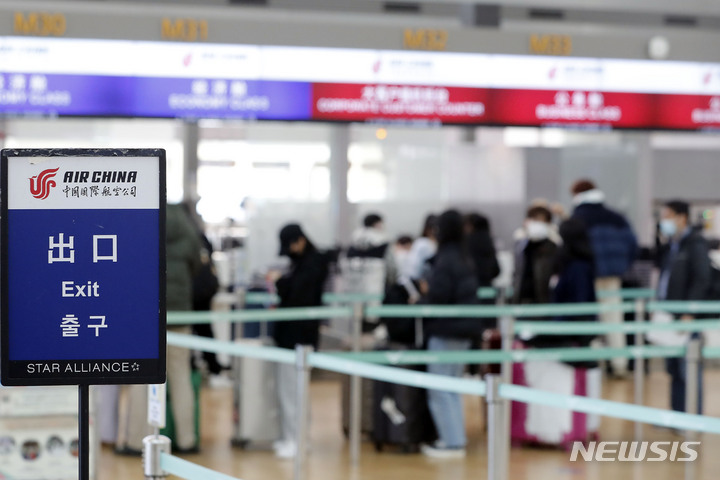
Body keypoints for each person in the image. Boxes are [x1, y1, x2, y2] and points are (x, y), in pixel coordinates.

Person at [120, 203, 202, 455]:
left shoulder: (144, 222)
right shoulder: (187, 230)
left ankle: (136, 442)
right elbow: (197, 266)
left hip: (147, 317)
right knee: (181, 379)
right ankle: (187, 441)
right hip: (180, 316)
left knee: (141, 379)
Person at [421, 209, 486, 459]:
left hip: (447, 329)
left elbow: (439, 295)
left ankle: (452, 442)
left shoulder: (445, 259)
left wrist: (424, 293)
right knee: (451, 387)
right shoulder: (464, 256)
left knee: (439, 388)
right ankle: (454, 437)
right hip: (465, 329)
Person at [272, 224, 330, 459]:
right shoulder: (307, 263)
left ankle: (297, 440)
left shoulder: (312, 265)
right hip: (295, 337)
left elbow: (297, 296)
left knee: (293, 391)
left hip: (297, 338)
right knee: (294, 391)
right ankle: (295, 438)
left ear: (300, 241)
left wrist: (279, 282)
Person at [570, 179, 638, 377]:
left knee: (591, 320)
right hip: (613, 278)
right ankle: (619, 364)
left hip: (588, 276)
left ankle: (596, 364)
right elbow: (633, 245)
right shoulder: (617, 218)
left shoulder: (578, 218)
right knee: (614, 320)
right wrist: (622, 266)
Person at [657, 200, 710, 413]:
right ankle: (677, 414)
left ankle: (692, 416)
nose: (664, 221)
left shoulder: (695, 243)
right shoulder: (672, 244)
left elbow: (702, 279)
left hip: (686, 316)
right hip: (669, 314)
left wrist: (690, 311)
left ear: (682, 218)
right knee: (673, 368)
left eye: (668, 216)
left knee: (688, 367)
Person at [512, 205, 559, 305]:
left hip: (545, 298)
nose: (537, 223)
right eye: (534, 219)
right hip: (523, 296)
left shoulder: (554, 244)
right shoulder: (521, 244)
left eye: (541, 220)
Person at [464, 213, 500, 289]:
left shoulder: (467, 243)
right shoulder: (489, 242)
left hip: (471, 289)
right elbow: (496, 270)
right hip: (488, 289)